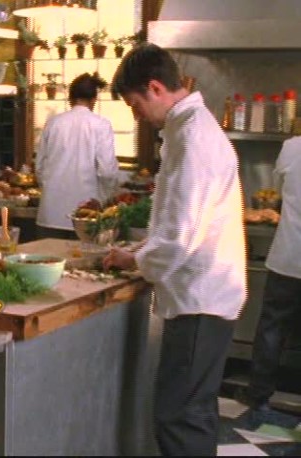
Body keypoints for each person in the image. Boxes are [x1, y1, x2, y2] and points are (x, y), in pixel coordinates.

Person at [103, 43, 246, 456]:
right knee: (191, 412)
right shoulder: (188, 130)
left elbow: (181, 237)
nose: (136, 116)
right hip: (204, 295)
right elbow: (184, 220)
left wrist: (137, 257)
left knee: (179, 418)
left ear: (154, 88)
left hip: (200, 300)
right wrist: (148, 244)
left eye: (134, 104)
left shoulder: (194, 139)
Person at [235, 137, 301, 426]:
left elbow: (278, 183)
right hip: (287, 256)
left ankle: (259, 398)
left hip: (288, 256)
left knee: (272, 329)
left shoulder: (292, 147)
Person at [35, 72, 119, 240]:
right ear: (94, 99)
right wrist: (107, 197)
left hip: (50, 213)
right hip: (86, 216)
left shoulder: (54, 123)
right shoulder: (101, 125)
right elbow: (107, 172)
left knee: (48, 262)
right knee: (84, 264)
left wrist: (51, 189)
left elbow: (40, 168)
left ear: (70, 98)